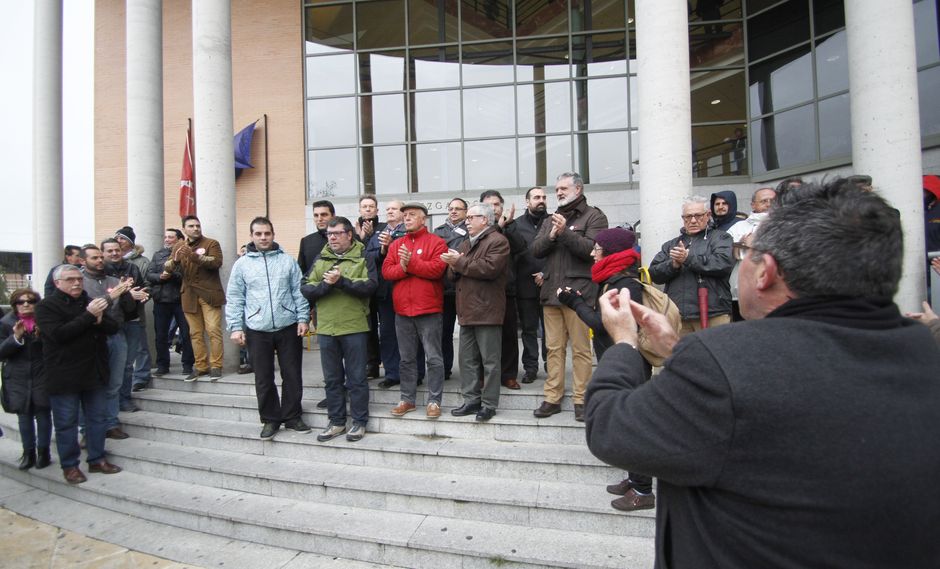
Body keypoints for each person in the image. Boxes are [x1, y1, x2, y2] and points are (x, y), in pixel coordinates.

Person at [584, 179, 940, 569]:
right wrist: (679, 350)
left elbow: (611, 429)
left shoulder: (724, 363)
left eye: (747, 252)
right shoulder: (924, 351)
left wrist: (623, 343)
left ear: (765, 272)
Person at [530, 172, 608, 420]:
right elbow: (536, 250)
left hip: (579, 295)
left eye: (564, 188)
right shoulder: (551, 219)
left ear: (578, 188)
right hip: (551, 293)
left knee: (582, 350)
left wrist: (564, 233)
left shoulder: (594, 216)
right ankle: (552, 397)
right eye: (557, 189)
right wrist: (552, 234)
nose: (559, 193)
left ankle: (582, 399)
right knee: (553, 348)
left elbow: (591, 251)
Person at [36, 265, 123, 485]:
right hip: (64, 375)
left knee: (97, 420)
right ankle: (70, 466)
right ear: (58, 283)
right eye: (70, 279)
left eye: (79, 279)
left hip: (93, 372)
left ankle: (97, 459)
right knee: (66, 423)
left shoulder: (89, 301)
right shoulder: (47, 306)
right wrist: (89, 316)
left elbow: (113, 328)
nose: (76, 283)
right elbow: (59, 335)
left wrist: (100, 318)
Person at [226, 217, 311, 440]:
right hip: (257, 328)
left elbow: (299, 291)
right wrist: (236, 326)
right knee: (263, 377)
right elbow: (235, 297)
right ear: (252, 236)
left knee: (292, 374)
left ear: (273, 234)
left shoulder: (287, 261)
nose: (263, 238)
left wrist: (303, 319)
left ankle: (292, 416)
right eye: (258, 234)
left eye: (267, 233)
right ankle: (270, 419)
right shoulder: (242, 265)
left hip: (288, 325)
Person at [302, 217, 378, 442]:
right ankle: (336, 422)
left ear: (349, 234)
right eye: (329, 234)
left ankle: (359, 422)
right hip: (326, 328)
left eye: (336, 233)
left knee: (356, 379)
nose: (332, 237)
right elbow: (306, 287)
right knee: (333, 379)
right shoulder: (321, 257)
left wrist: (342, 281)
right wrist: (327, 285)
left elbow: (371, 286)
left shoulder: (364, 256)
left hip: (354, 326)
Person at [442, 203, 510, 422]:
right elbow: (453, 277)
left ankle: (489, 404)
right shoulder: (464, 243)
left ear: (485, 219)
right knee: (467, 360)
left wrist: (459, 262)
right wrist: (452, 265)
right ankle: (471, 400)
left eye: (472, 217)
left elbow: (489, 269)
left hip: (487, 310)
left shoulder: (498, 241)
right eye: (467, 217)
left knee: (490, 362)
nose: (467, 221)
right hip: (467, 310)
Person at [382, 202, 448, 418]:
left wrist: (410, 264)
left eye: (412, 215)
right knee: (406, 359)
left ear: (424, 219)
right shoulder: (396, 244)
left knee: (433, 358)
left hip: (428, 310)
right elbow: (387, 272)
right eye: (405, 215)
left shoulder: (437, 242)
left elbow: (437, 270)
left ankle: (434, 401)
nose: (407, 218)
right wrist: (404, 267)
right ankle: (407, 399)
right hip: (402, 311)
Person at [649, 195, 734, 335]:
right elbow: (654, 273)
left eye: (698, 216)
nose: (693, 220)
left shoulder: (721, 238)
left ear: (708, 215)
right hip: (678, 315)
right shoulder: (671, 244)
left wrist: (688, 258)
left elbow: (722, 264)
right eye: (688, 217)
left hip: (713, 312)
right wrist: (674, 264)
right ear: (683, 219)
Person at [81, 245, 137, 438]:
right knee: (91, 384)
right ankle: (86, 429)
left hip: (117, 335)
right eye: (95, 257)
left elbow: (130, 310)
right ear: (83, 261)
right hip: (91, 338)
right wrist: (111, 296)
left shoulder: (114, 280)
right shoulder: (78, 283)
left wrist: (127, 292)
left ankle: (111, 423)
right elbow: (91, 308)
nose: (99, 261)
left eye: (99, 258)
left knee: (115, 382)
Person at [0, 289, 52, 470]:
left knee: (43, 412)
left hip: (41, 373)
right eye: (21, 302)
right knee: (24, 415)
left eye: (30, 301)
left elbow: (55, 347)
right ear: (14, 305)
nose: (26, 305)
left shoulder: (44, 321)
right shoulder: (6, 323)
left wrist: (42, 336)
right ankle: (28, 452)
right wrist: (16, 337)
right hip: (18, 376)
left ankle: (43, 452)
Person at [480, 190, 525, 390]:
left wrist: (509, 224)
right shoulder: (476, 228)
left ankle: (508, 375)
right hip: (482, 292)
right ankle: (483, 376)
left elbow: (521, 247)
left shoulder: (510, 226)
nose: (493, 208)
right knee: (483, 337)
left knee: (508, 335)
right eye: (488, 205)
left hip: (507, 290)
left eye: (497, 204)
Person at [176, 215, 226, 380]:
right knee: (195, 333)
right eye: (191, 226)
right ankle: (201, 367)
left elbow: (216, 262)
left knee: (213, 331)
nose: (196, 228)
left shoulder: (211, 243)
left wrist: (194, 256)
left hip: (209, 294)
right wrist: (174, 260)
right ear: (184, 229)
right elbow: (169, 267)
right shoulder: (178, 245)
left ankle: (216, 366)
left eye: (197, 225)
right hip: (189, 295)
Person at [366, 200, 408, 390]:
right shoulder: (379, 233)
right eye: (388, 209)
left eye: (394, 209)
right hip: (384, 292)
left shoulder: (409, 231)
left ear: (403, 212)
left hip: (406, 291)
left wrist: (391, 247)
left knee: (409, 335)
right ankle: (392, 373)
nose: (390, 211)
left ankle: (412, 372)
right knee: (388, 334)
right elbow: (369, 257)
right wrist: (383, 249)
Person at [146, 228, 195, 378]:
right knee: (160, 334)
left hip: (181, 299)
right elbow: (149, 274)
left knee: (186, 334)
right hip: (161, 300)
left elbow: (187, 275)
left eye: (170, 237)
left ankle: (187, 364)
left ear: (179, 239)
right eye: (165, 237)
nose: (167, 239)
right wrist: (160, 277)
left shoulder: (186, 254)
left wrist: (172, 274)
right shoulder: (158, 254)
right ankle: (162, 365)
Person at [513, 187, 548, 383]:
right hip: (525, 286)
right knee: (528, 329)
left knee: (550, 331)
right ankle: (531, 368)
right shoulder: (517, 225)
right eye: (536, 197)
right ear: (527, 202)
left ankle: (551, 366)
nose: (540, 200)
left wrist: (546, 273)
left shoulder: (555, 222)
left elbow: (559, 253)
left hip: (549, 284)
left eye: (543, 197)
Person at [726, 187, 776, 320]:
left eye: (773, 200)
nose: (769, 204)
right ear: (753, 204)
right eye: (764, 201)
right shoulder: (738, 227)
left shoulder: (785, 225)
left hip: (775, 293)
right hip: (741, 294)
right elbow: (724, 256)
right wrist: (742, 245)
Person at [433, 197, 469, 381]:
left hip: (465, 287)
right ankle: (445, 369)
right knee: (444, 332)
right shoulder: (438, 231)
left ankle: (470, 371)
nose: (454, 212)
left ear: (465, 211)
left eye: (458, 209)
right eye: (451, 208)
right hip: (444, 288)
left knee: (468, 333)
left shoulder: (471, 229)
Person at [114, 226, 154, 390]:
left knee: (140, 346)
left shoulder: (141, 263)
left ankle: (141, 376)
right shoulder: (108, 265)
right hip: (115, 314)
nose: (118, 241)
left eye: (122, 238)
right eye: (116, 238)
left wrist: (141, 296)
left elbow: (148, 285)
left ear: (130, 242)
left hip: (134, 313)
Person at [355, 195, 385, 379]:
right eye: (364, 206)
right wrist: (362, 237)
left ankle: (389, 364)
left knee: (387, 329)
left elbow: (381, 254)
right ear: (359, 210)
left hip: (382, 285)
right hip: (362, 287)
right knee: (368, 328)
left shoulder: (383, 228)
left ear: (376, 210)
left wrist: (373, 235)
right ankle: (371, 364)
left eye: (371, 206)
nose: (368, 209)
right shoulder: (352, 231)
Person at [297, 200, 335, 276]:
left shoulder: (346, 238)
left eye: (324, 215)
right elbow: (300, 272)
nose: (319, 219)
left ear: (333, 216)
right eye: (316, 215)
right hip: (313, 287)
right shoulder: (306, 241)